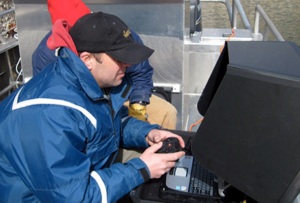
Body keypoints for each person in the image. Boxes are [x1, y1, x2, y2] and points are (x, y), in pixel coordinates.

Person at [0, 12, 185, 202]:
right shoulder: (49, 114)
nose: (128, 64)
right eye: (119, 58)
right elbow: (76, 198)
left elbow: (108, 123)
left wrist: (146, 134)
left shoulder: (93, 83)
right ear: (87, 60)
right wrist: (142, 169)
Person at [32, 0, 178, 129]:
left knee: (167, 112)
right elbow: (49, 106)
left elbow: (141, 71)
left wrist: (138, 103)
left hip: (121, 95)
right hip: (82, 110)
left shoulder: (114, 33)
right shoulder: (45, 57)